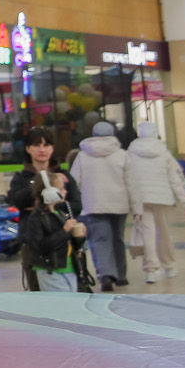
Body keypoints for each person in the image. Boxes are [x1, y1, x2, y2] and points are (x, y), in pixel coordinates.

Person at [7, 126, 83, 291]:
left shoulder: (64, 176)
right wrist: (41, 181)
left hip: (63, 242)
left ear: (52, 148)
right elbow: (18, 202)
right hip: (33, 242)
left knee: (71, 292)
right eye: (37, 145)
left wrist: (43, 205)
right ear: (28, 149)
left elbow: (76, 205)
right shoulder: (21, 178)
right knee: (37, 291)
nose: (42, 149)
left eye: (46, 145)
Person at [127, 121, 185, 283]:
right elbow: (176, 179)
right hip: (163, 199)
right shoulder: (163, 152)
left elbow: (127, 177)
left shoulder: (131, 151)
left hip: (141, 199)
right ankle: (169, 266)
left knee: (147, 233)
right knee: (164, 233)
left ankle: (150, 270)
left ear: (140, 135)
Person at [71, 120, 132, 291]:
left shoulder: (82, 156)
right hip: (119, 204)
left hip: (93, 204)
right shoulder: (123, 155)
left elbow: (74, 182)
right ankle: (121, 276)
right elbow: (131, 183)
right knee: (118, 239)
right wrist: (137, 206)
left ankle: (105, 275)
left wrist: (76, 204)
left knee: (99, 239)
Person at [22, 172, 89, 293]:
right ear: (50, 193)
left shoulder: (61, 214)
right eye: (61, 189)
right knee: (60, 303)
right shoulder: (36, 217)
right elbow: (41, 246)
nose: (65, 192)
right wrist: (64, 231)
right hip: (51, 271)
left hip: (69, 268)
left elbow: (69, 244)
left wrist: (78, 237)